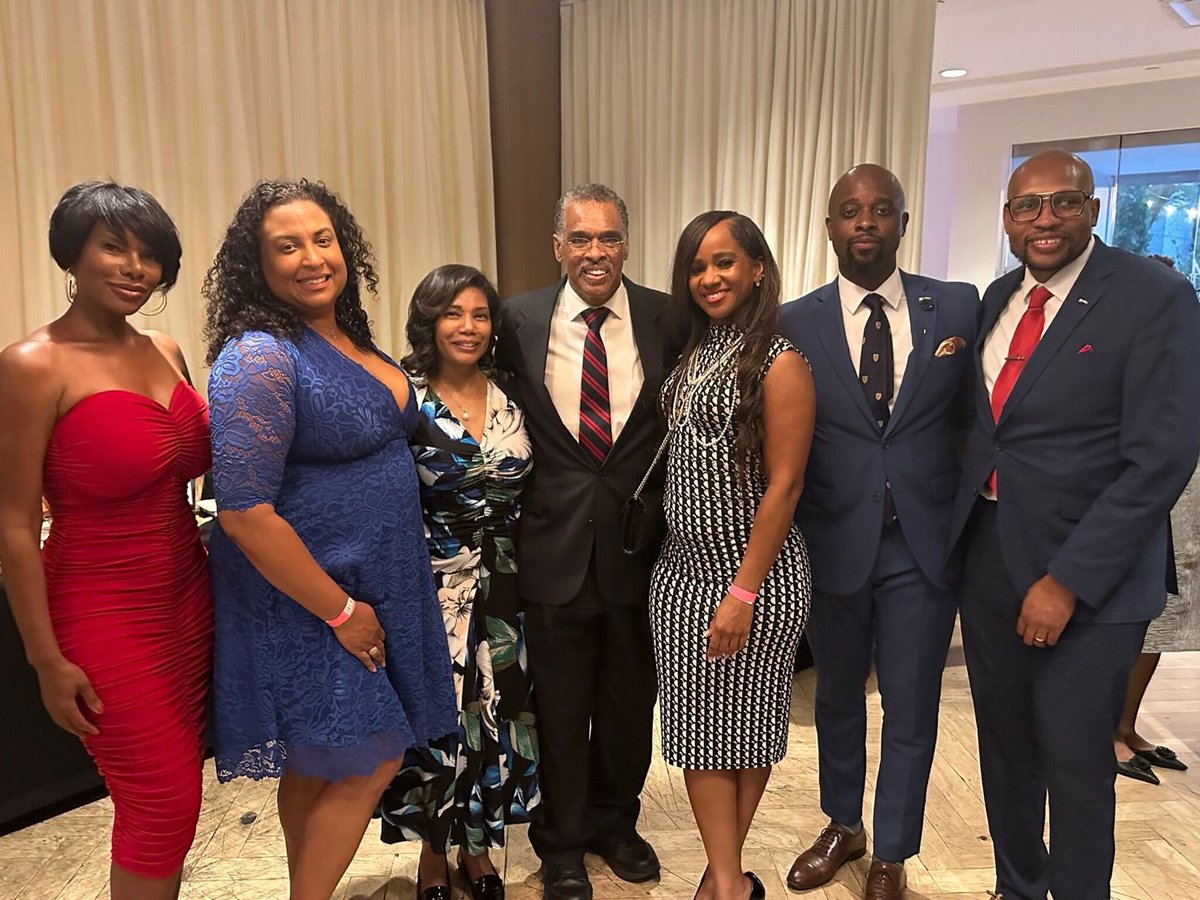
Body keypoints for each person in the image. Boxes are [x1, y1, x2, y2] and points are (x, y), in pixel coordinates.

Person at [947, 150, 1200, 900]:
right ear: (1007, 218)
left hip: (1090, 579)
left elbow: (1160, 458)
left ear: (1093, 209)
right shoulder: (996, 298)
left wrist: (1067, 581)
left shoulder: (1153, 295)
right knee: (1006, 751)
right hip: (990, 559)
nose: (1045, 219)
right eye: (1028, 206)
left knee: (1075, 760)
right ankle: (1016, 887)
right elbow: (983, 431)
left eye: (1063, 202)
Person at [202, 179, 457, 899]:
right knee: (368, 757)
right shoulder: (258, 356)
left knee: (316, 764)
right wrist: (341, 612)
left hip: (378, 585)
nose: (312, 257)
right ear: (257, 264)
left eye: (323, 239)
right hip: (311, 600)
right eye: (287, 246)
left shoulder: (347, 334)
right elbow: (244, 511)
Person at [0, 182, 210, 898]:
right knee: (163, 802)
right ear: (73, 254)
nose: (133, 268)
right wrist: (45, 659)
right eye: (113, 246)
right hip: (99, 610)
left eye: (149, 255)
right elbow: (14, 524)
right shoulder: (32, 364)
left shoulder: (166, 349)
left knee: (175, 801)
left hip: (187, 597)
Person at [779, 165, 979, 900]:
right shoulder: (795, 320)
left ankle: (892, 848)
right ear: (829, 227)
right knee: (835, 696)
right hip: (833, 538)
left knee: (910, 699)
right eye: (849, 211)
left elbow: (975, 418)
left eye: (880, 210)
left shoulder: (956, 307)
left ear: (900, 220)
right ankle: (843, 824)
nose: (865, 222)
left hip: (923, 544)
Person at [495, 184, 667, 900]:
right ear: (557, 245)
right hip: (552, 550)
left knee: (630, 705)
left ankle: (614, 824)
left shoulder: (666, 316)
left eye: (609, 238)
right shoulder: (517, 319)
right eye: (581, 239)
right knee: (560, 710)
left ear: (627, 242)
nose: (595, 253)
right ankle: (560, 841)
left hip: (640, 549)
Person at [652, 210, 814, 900]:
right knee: (698, 734)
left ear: (756, 269)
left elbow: (786, 485)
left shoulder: (781, 361)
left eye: (724, 262)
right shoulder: (696, 351)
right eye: (697, 265)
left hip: (755, 578)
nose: (709, 277)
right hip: (681, 575)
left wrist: (742, 593)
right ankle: (729, 879)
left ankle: (722, 882)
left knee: (747, 730)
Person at [379, 264, 539, 900]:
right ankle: (432, 855)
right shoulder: (403, 397)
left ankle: (479, 847)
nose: (467, 327)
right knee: (439, 726)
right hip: (430, 588)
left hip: (505, 589)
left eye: (479, 314)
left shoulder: (512, 394)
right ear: (429, 322)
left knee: (495, 722)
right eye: (453, 314)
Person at [1113, 254, 1196, 786]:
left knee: (1170, 615)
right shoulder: (1124, 340)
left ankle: (1125, 723)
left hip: (1187, 494)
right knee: (1130, 614)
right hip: (1142, 491)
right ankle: (1105, 729)